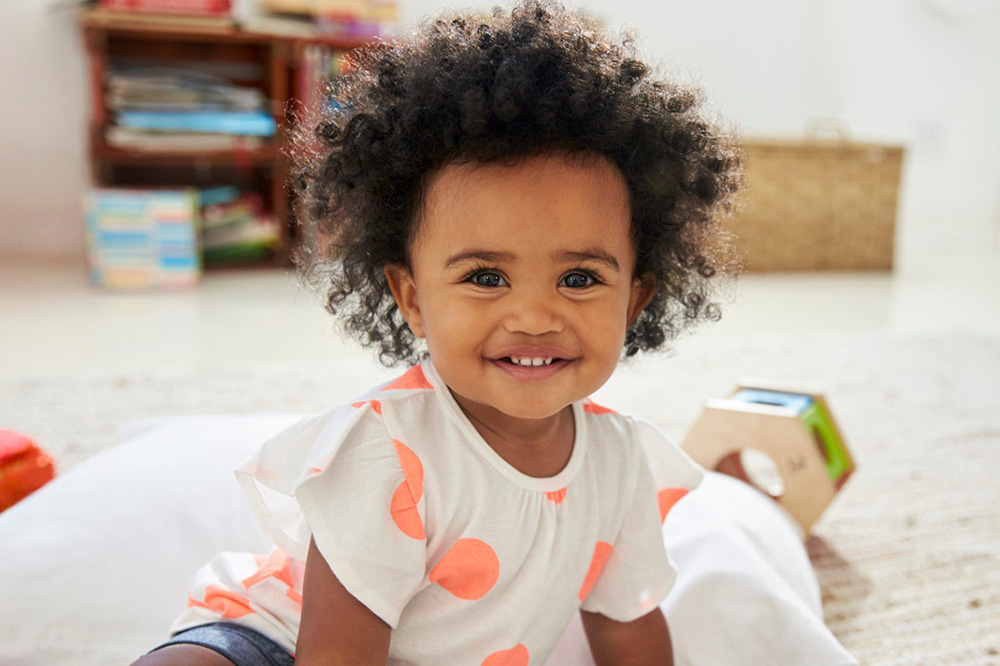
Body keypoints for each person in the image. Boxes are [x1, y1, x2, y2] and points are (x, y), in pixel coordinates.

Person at [133, 1, 742, 664]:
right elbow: (334, 655)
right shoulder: (386, 453)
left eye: (578, 279)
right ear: (412, 298)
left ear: (636, 300)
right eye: (485, 277)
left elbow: (629, 630)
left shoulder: (622, 465)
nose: (534, 317)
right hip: (273, 640)